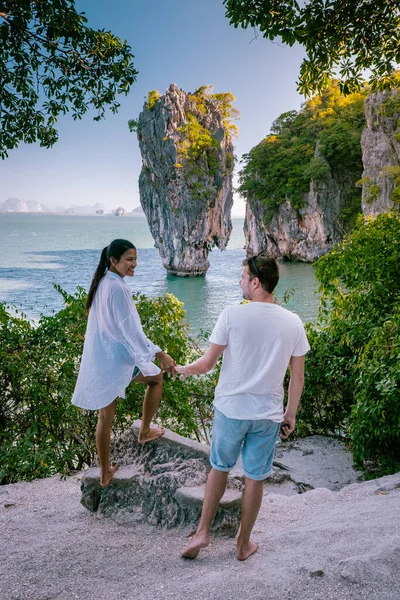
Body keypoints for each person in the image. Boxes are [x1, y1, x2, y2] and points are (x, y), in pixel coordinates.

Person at [176, 252, 310, 561]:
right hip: (267, 415)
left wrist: (183, 368)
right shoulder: (293, 322)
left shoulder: (232, 314)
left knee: (219, 468)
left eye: (242, 277)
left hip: (231, 410)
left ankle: (202, 533)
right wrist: (290, 415)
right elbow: (298, 376)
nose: (239, 282)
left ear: (256, 281)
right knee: (255, 478)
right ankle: (243, 544)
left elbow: (207, 364)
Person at [72, 239, 175, 487]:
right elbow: (131, 329)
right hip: (116, 358)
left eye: (135, 259)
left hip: (103, 358)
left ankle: (105, 472)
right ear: (113, 261)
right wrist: (159, 353)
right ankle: (145, 431)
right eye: (129, 259)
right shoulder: (117, 287)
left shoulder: (103, 282)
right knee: (156, 379)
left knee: (105, 417)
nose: (134, 264)